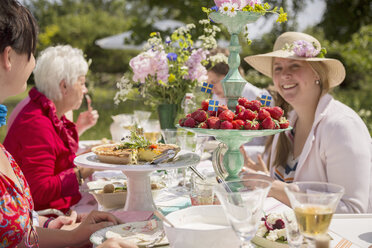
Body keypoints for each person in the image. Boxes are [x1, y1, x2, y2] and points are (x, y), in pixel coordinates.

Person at [0, 2, 140, 248]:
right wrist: (84, 169)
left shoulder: (44, 114)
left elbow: (13, 232)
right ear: (8, 57)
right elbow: (40, 190)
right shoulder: (35, 121)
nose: (33, 63)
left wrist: (71, 235)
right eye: (31, 52)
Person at [243, 31, 372, 213]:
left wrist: (284, 191)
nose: (284, 74)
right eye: (278, 68)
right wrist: (264, 178)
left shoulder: (341, 126)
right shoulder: (287, 125)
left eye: (294, 66)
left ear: (317, 74)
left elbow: (353, 212)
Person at [3, 44, 99, 214]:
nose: (84, 90)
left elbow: (57, 164)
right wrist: (88, 167)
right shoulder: (37, 123)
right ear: (64, 87)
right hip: (44, 218)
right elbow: (40, 191)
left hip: (57, 209)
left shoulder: (48, 112)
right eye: (82, 83)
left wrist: (90, 157)